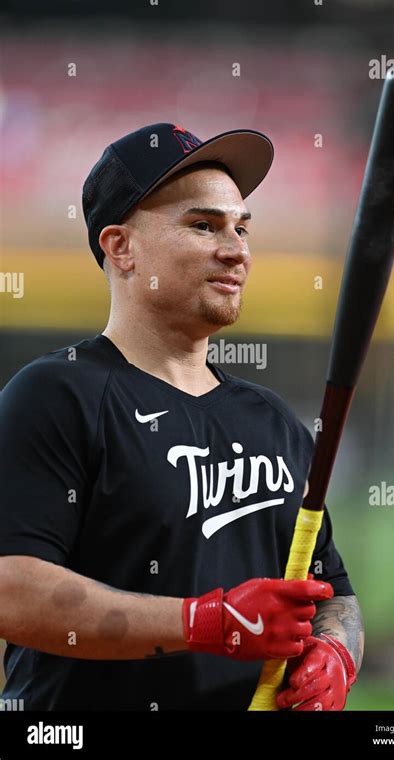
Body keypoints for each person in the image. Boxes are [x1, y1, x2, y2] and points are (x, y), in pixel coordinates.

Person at [0, 123, 364, 711]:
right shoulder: (57, 395)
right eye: (203, 225)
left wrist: (335, 651)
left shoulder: (271, 420)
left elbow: (331, 591)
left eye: (241, 227)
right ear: (121, 247)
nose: (237, 248)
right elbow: (11, 590)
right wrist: (207, 622)